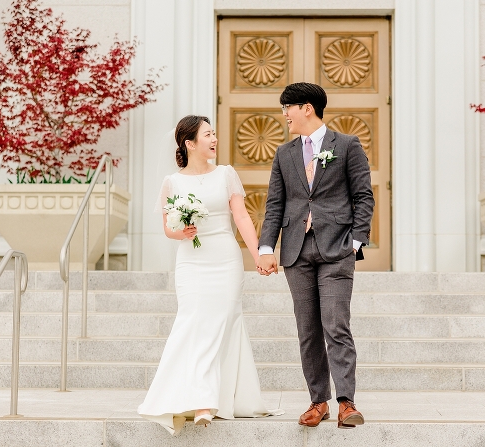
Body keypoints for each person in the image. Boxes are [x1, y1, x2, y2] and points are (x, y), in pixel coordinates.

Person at [137, 115, 281, 435]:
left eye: (214, 133)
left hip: (225, 259)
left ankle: (218, 397)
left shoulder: (226, 174)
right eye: (208, 135)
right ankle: (201, 399)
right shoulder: (172, 182)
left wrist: (259, 254)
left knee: (225, 320)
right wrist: (183, 232)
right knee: (193, 320)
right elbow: (168, 228)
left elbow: (241, 217)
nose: (214, 139)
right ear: (190, 144)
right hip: (191, 262)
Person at [257, 83, 374, 429]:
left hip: (337, 248)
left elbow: (363, 196)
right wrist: (266, 248)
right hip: (296, 250)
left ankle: (346, 402)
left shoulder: (347, 145)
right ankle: (318, 401)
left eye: (287, 108)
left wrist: (356, 242)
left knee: (336, 325)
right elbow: (275, 204)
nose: (285, 115)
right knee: (307, 330)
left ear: (306, 108)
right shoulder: (284, 153)